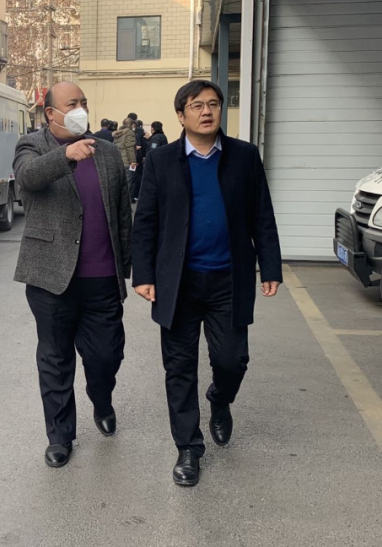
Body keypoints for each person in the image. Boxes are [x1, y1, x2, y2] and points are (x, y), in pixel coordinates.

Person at [131, 81, 282, 488]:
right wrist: (143, 274)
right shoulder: (160, 160)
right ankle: (188, 448)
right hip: (177, 282)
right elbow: (145, 222)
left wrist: (270, 266)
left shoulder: (244, 156)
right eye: (196, 105)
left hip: (228, 279)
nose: (206, 111)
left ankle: (220, 398)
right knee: (179, 367)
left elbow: (262, 215)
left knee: (233, 360)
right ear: (181, 116)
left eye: (213, 104)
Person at [13, 82, 133, 469]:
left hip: (102, 278)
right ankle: (60, 436)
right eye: (72, 104)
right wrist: (65, 155)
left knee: (106, 355)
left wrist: (128, 267)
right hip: (50, 276)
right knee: (55, 358)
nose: (81, 109)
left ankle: (102, 399)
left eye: (84, 102)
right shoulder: (32, 146)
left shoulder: (107, 151)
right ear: (51, 113)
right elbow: (28, 177)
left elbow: (122, 213)